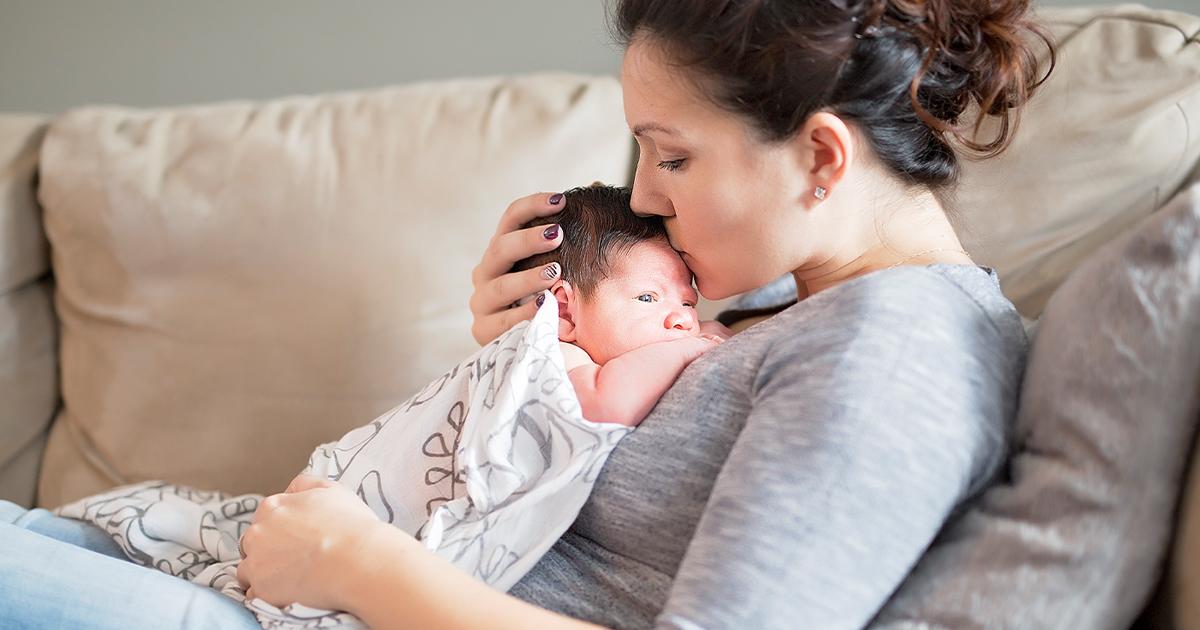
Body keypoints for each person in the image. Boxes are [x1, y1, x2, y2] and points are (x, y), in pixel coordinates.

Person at [0, 0, 1055, 628]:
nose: (642, 196)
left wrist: (357, 567)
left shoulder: (894, 353)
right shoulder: (802, 305)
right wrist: (527, 363)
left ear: (822, 155)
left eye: (673, 153)